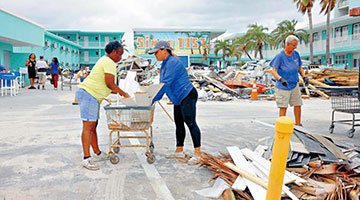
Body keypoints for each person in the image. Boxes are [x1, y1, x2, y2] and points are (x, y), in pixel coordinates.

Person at [75, 41, 130, 170]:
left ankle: (97, 152)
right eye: (120, 54)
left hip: (92, 95)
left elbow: (108, 86)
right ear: (114, 52)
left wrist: (120, 93)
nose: (120, 57)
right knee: (88, 126)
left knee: (93, 125)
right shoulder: (109, 62)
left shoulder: (105, 61)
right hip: (89, 94)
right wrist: (125, 94)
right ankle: (86, 158)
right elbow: (110, 83)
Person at [149, 41, 202, 158]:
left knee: (190, 122)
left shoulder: (172, 62)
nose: (155, 55)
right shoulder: (164, 63)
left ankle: (198, 153)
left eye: (156, 52)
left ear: (164, 50)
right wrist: (151, 95)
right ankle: (179, 150)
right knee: (178, 123)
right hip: (178, 97)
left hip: (187, 94)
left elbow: (166, 83)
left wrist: (152, 99)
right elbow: (161, 83)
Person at [270, 35, 308, 126]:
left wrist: (304, 76)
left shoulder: (296, 54)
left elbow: (299, 67)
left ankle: (298, 124)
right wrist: (280, 79)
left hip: (294, 84)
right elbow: (273, 71)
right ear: (287, 44)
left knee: (298, 104)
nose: (295, 48)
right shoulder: (280, 56)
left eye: (296, 46)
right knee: (283, 107)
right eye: (293, 45)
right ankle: (282, 126)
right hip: (283, 86)